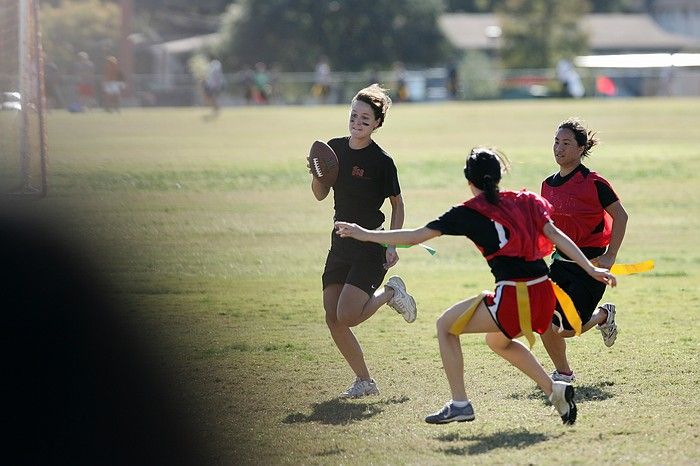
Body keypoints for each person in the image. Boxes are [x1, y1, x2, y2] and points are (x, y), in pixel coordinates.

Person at [335, 147, 617, 424]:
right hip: (544, 294)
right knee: (498, 341)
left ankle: (460, 404)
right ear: (498, 176)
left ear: (469, 180)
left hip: (515, 296)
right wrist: (590, 267)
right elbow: (558, 237)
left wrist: (365, 233)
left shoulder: (469, 212)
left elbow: (414, 237)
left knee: (445, 326)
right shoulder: (526, 200)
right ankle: (555, 391)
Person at [310, 84, 417, 399]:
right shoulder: (334, 150)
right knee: (333, 317)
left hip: (371, 244)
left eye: (365, 119)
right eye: (354, 115)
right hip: (340, 242)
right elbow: (319, 195)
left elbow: (397, 204)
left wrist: (392, 244)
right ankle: (364, 381)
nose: (357, 122)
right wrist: (317, 176)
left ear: (377, 124)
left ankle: (391, 293)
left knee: (348, 315)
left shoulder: (382, 161)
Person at [540, 118, 629, 383]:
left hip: (591, 264)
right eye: (556, 142)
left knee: (567, 329)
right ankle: (563, 373)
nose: (559, 148)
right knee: (543, 319)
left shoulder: (594, 182)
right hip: (559, 263)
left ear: (581, 149)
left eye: (566, 143)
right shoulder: (547, 185)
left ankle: (603, 315)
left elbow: (621, 217)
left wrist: (610, 256)